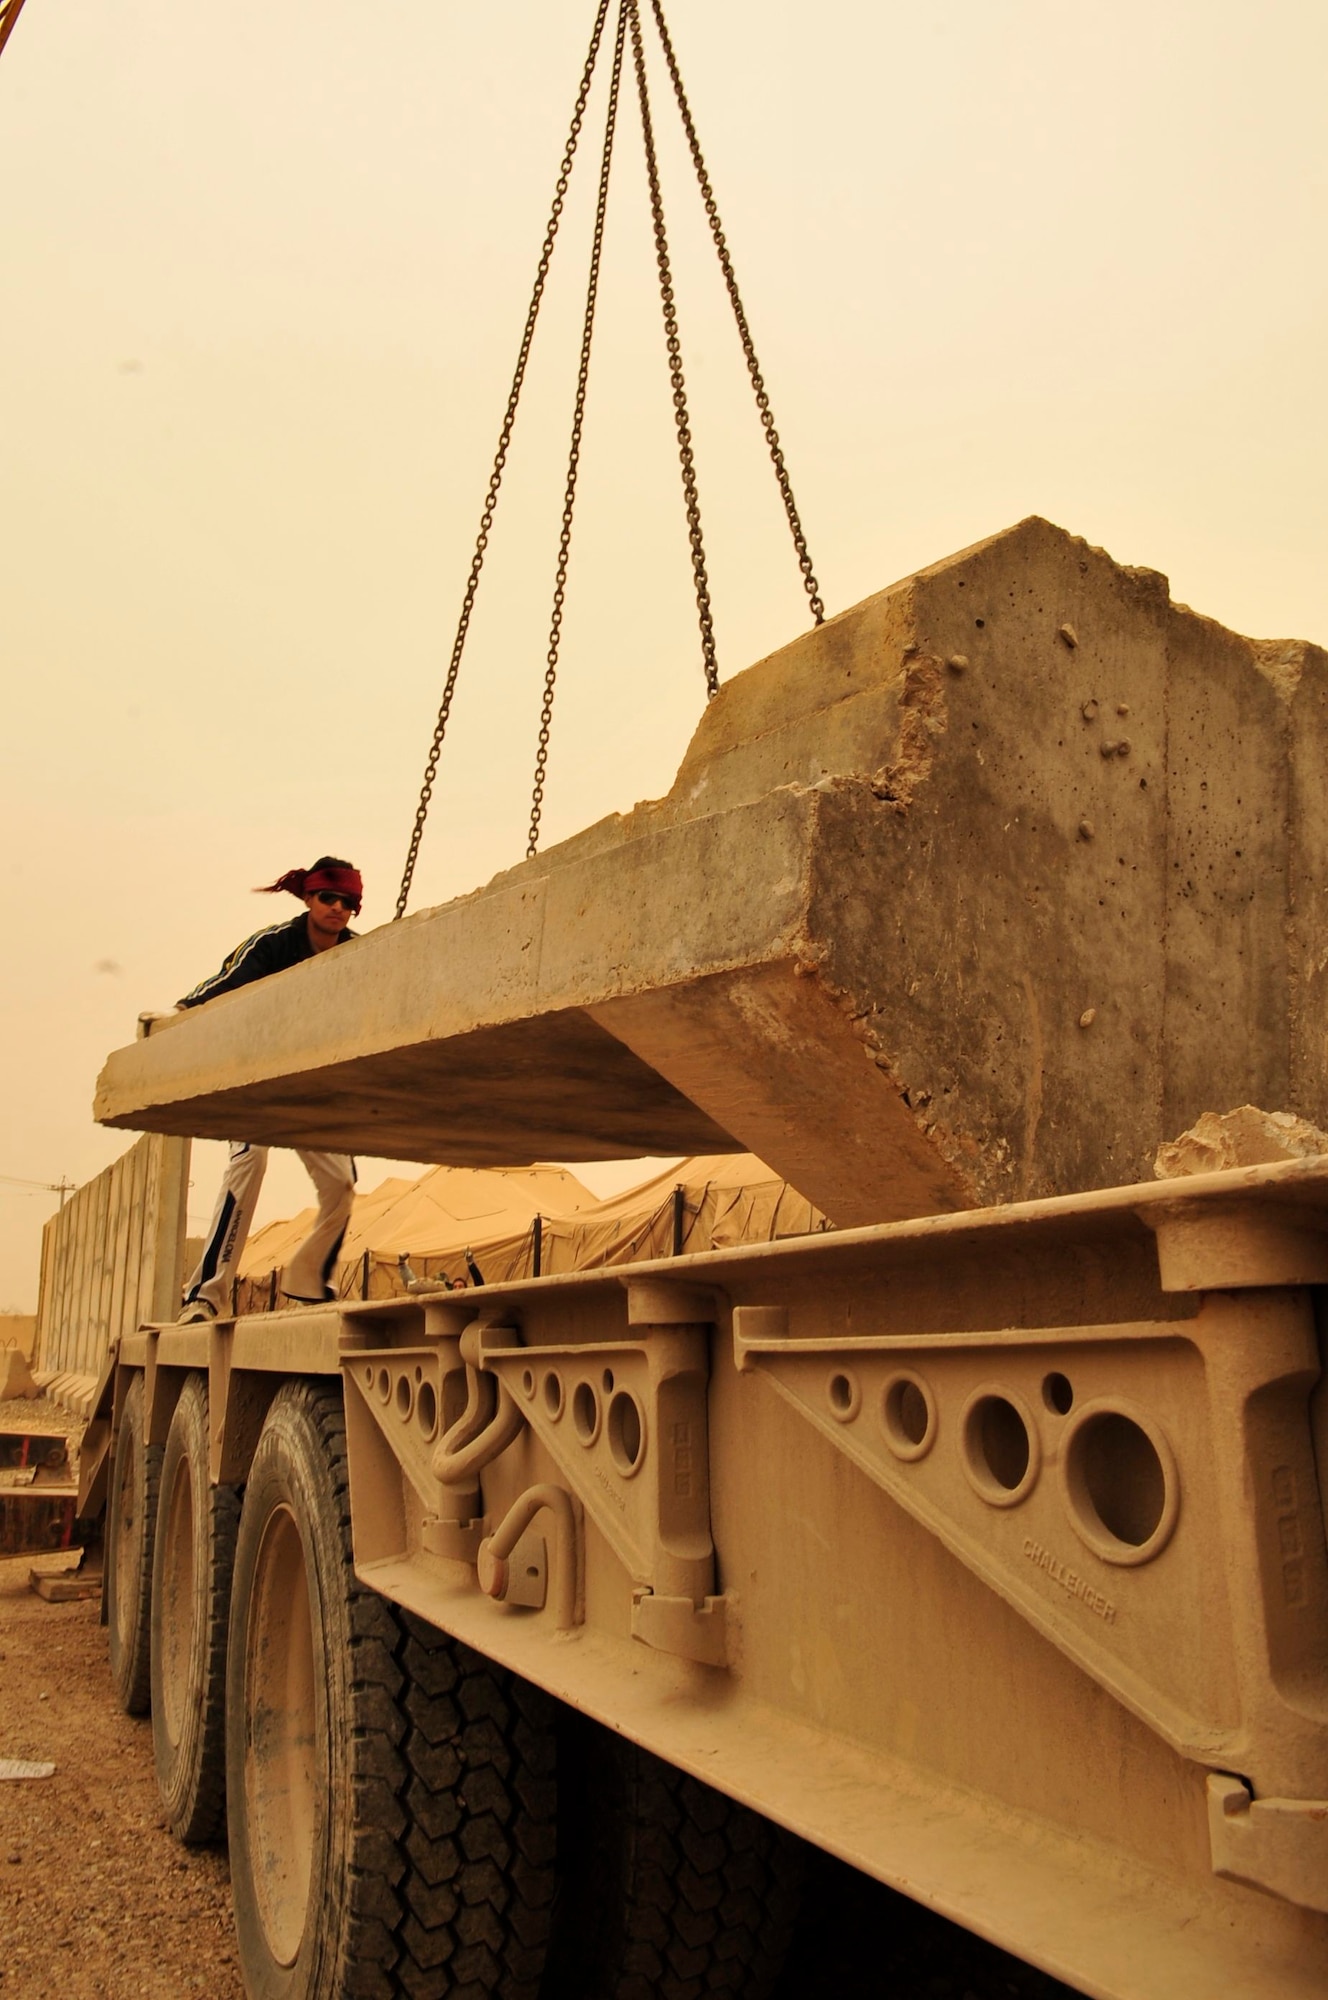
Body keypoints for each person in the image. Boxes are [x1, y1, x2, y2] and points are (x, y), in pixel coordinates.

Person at [176, 857, 362, 1323]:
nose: (337, 908)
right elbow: (227, 983)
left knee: (342, 1183)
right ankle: (206, 1294)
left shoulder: (362, 955)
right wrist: (179, 1014)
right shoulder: (275, 944)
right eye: (328, 898)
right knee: (249, 1160)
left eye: (348, 902)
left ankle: (309, 1279)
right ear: (308, 897)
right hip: (256, 1077)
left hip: (310, 1085)